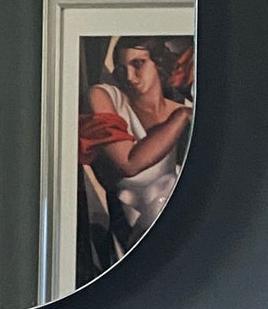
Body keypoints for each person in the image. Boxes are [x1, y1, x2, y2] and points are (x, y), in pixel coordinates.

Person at [78, 37, 193, 272]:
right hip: (129, 245)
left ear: (158, 64)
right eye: (122, 69)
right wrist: (180, 117)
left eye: (138, 64)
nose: (129, 76)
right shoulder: (107, 97)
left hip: (179, 239)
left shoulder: (182, 111)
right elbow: (128, 164)